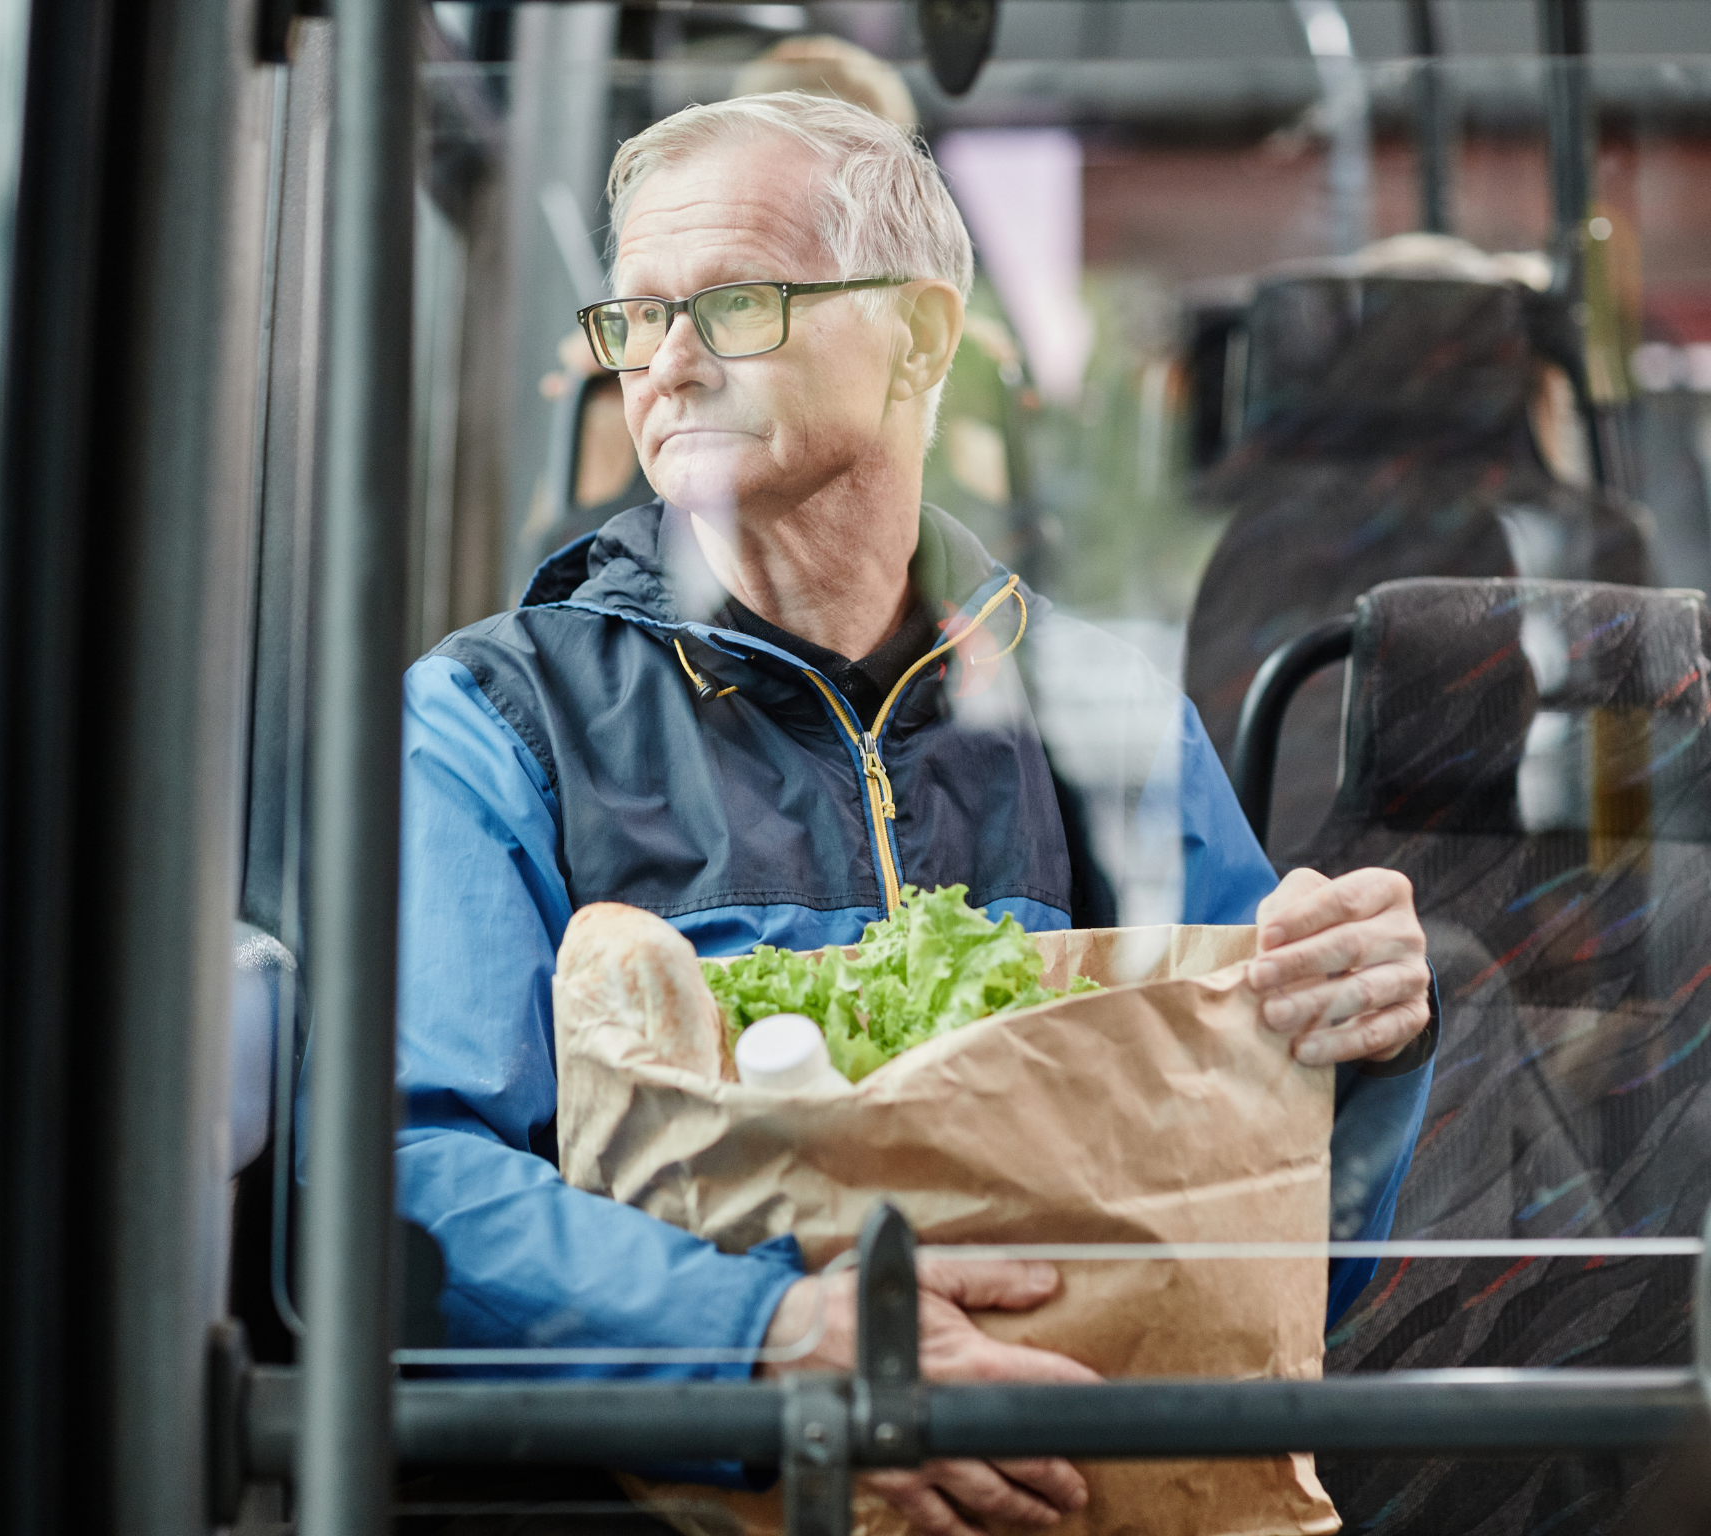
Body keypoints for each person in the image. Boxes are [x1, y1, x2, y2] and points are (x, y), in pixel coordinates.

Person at [390, 92, 1437, 1535]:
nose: (671, 362)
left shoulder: (1102, 716)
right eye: (636, 318)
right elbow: (406, 1179)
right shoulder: (494, 718)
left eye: (736, 303)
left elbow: (1265, 1223)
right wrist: (766, 1351)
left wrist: (1361, 1037)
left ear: (922, 338)